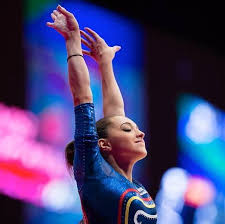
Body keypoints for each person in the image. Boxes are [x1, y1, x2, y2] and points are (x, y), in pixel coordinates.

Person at [47, 5, 157, 224]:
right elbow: (82, 96)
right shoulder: (93, 174)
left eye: (134, 128)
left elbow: (116, 115)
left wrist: (105, 63)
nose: (141, 133)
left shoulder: (129, 184)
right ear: (104, 144)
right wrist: (72, 42)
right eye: (128, 130)